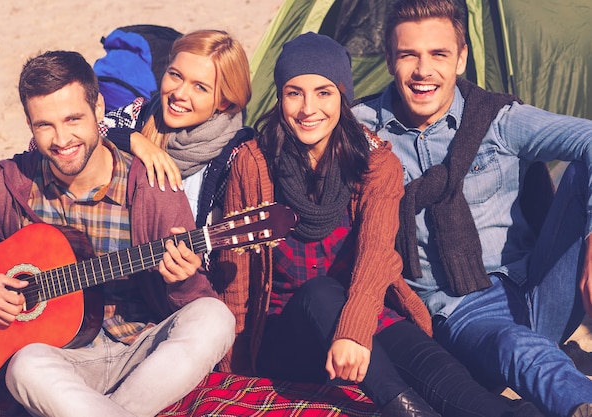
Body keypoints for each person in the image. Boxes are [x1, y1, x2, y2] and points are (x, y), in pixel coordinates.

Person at [213, 32, 542, 417]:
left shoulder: (375, 163)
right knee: (320, 292)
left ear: (342, 97)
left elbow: (375, 256)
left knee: (434, 367)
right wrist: (232, 368)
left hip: (360, 313)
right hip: (286, 335)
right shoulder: (254, 164)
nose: (307, 109)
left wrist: (353, 331)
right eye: (293, 93)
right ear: (280, 97)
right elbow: (235, 274)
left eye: (323, 93)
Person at [351, 1, 592, 416]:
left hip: (539, 284)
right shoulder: (361, 131)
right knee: (516, 345)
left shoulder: (496, 118)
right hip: (462, 310)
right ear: (390, 59)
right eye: (409, 55)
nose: (424, 70)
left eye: (439, 54)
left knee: (580, 174)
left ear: (461, 58)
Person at [0, 50, 235, 417]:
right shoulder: (10, 185)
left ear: (98, 111)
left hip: (145, 353)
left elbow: (192, 301)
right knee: (24, 366)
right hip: (63, 361)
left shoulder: (152, 186)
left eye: (73, 118)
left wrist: (183, 280)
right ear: (30, 126)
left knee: (215, 317)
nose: (62, 139)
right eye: (45, 125)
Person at [100, 29, 253, 228]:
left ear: (223, 101)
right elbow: (78, 136)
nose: (179, 93)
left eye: (200, 87)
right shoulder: (140, 114)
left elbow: (233, 244)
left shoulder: (236, 157)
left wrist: (196, 260)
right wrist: (132, 139)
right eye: (175, 75)